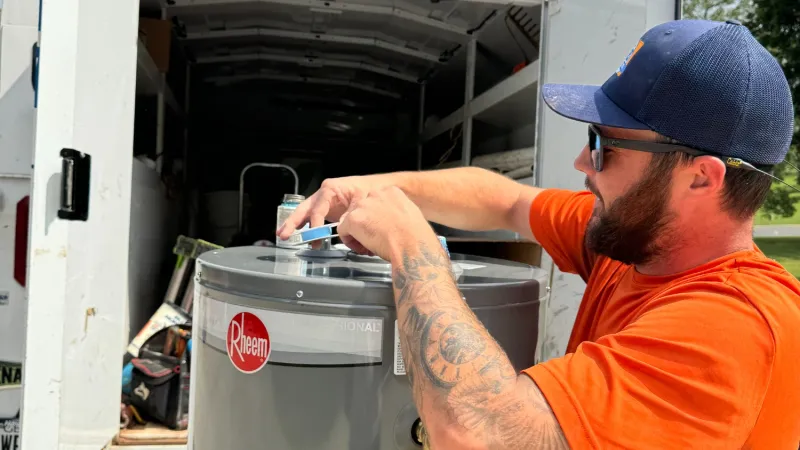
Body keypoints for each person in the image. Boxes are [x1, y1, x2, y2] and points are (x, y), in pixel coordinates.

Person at [277, 19, 800, 449]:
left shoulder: (734, 327)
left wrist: (412, 247)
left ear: (700, 177)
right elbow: (503, 199)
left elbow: (478, 435)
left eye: (603, 144)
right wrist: (369, 189)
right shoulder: (638, 241)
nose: (581, 161)